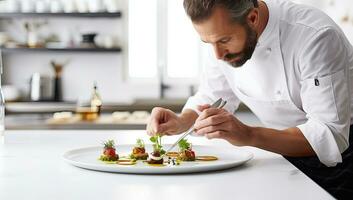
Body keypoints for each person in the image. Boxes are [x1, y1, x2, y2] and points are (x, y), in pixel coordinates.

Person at [146, 0, 353, 198]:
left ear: (252, 18)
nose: (217, 55)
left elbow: (330, 133)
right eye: (209, 43)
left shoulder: (315, 37)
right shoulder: (222, 36)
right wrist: (182, 121)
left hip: (341, 162)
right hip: (281, 156)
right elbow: (212, 95)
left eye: (223, 41)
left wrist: (248, 134)